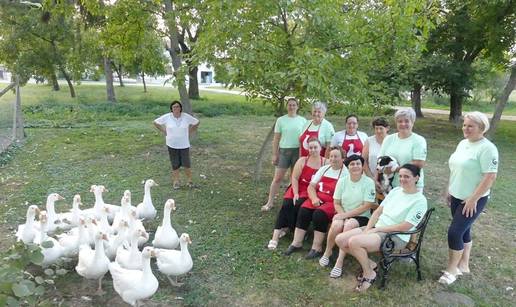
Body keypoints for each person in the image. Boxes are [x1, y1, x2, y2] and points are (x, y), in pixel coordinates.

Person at [334, 164, 427, 291]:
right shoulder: (395, 191)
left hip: (396, 236)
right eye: (400, 176)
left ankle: (369, 273)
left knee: (354, 242)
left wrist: (377, 229)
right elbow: (377, 212)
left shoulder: (420, 200)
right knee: (340, 239)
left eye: (407, 176)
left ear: (416, 178)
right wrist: (367, 229)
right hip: (377, 228)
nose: (402, 179)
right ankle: (370, 264)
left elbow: (405, 226)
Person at [438, 112, 499, 285]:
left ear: (481, 128)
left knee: (455, 232)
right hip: (456, 195)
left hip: (473, 199)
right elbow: (455, 168)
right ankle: (464, 265)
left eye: (470, 126)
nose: (465, 128)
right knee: (464, 230)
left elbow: (490, 177)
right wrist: (449, 189)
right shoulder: (463, 143)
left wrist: (473, 199)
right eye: (465, 125)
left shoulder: (488, 148)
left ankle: (452, 270)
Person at [318, 155, 378, 278]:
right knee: (336, 224)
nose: (355, 166)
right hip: (343, 212)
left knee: (349, 224)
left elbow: (366, 206)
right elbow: (337, 202)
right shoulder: (343, 181)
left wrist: (346, 216)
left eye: (358, 164)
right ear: (348, 166)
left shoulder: (368, 182)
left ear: (362, 167)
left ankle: (339, 262)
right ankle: (327, 252)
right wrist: (342, 216)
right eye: (352, 164)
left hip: (362, 216)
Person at [284, 147, 348, 259]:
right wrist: (314, 198)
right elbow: (311, 186)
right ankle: (296, 242)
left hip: (333, 201)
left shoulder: (345, 174)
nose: (333, 159)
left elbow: (343, 196)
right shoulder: (324, 169)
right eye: (331, 156)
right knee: (304, 210)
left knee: (319, 214)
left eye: (336, 156)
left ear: (343, 158)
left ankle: (317, 247)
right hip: (317, 198)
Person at [267, 137, 325, 250]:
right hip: (298, 187)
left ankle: (292, 228)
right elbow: (294, 178)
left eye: (315, 147)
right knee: (287, 204)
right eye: (311, 147)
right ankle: (275, 237)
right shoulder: (303, 160)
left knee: (299, 204)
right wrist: (296, 192)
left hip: (311, 190)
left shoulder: (325, 162)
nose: (313, 150)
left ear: (320, 148)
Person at [262, 98, 307, 211]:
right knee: (277, 178)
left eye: (294, 105)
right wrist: (274, 154)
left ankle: (290, 202)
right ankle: (270, 202)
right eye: (289, 105)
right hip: (284, 152)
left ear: (297, 107)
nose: (291, 107)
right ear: (287, 107)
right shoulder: (281, 120)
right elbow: (276, 139)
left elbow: (305, 139)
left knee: (294, 179)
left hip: (298, 151)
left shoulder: (303, 121)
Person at [154, 100, 200, 189]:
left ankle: (190, 181)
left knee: (186, 163)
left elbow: (197, 122)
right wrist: (164, 130)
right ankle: (176, 181)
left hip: (184, 144)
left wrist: (190, 131)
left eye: (178, 106)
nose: (176, 108)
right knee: (175, 163)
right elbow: (155, 122)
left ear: (180, 108)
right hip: (172, 144)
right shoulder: (167, 117)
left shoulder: (186, 117)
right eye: (174, 107)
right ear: (171, 108)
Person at [378, 108, 427, 191]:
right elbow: (380, 159)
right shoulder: (388, 139)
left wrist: (394, 169)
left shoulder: (419, 140)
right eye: (400, 121)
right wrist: (381, 172)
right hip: (390, 185)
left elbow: (418, 164)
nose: (403, 124)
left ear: (413, 122)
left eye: (407, 121)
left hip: (411, 186)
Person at [363, 117, 390, 200]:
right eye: (376, 128)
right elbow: (363, 161)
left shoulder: (392, 140)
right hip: (370, 177)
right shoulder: (369, 140)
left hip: (388, 178)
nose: (378, 131)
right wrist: (372, 180)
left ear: (387, 128)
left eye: (381, 128)